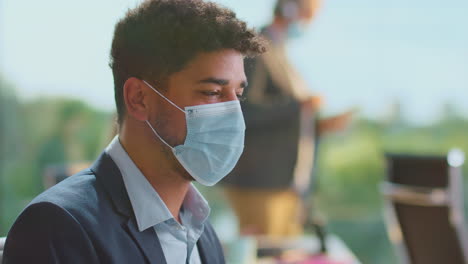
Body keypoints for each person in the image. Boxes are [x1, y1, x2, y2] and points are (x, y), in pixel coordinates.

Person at [2, 0, 265, 263]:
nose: (233, 114)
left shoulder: (203, 232)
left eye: (238, 96)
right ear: (139, 98)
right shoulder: (58, 227)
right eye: (212, 93)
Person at [223, 0, 353, 237]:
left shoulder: (280, 51)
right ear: (290, 8)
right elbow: (242, 110)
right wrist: (299, 106)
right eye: (309, 14)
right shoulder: (257, 48)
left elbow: (285, 117)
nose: (310, 22)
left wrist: (318, 124)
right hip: (260, 181)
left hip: (285, 182)